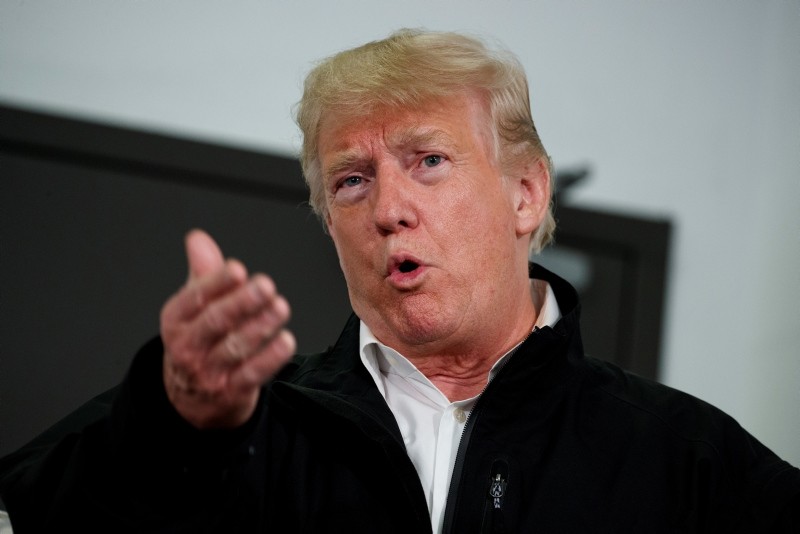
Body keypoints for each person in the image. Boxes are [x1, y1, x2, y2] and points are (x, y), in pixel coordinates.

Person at [1, 29, 798, 533]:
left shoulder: (685, 459)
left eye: (430, 161)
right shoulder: (231, 424)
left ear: (527, 194)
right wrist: (175, 425)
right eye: (351, 181)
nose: (388, 208)